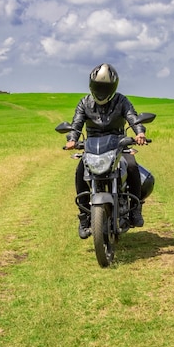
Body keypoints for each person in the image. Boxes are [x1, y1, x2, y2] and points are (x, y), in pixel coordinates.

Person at [65, 63, 148, 239]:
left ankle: (135, 209)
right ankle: (84, 217)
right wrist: (72, 139)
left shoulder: (121, 101)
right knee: (80, 171)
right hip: (93, 147)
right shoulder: (84, 102)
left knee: (132, 165)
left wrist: (139, 133)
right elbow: (77, 123)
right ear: (91, 85)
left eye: (105, 87)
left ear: (113, 87)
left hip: (118, 144)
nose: (101, 90)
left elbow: (132, 117)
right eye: (98, 86)